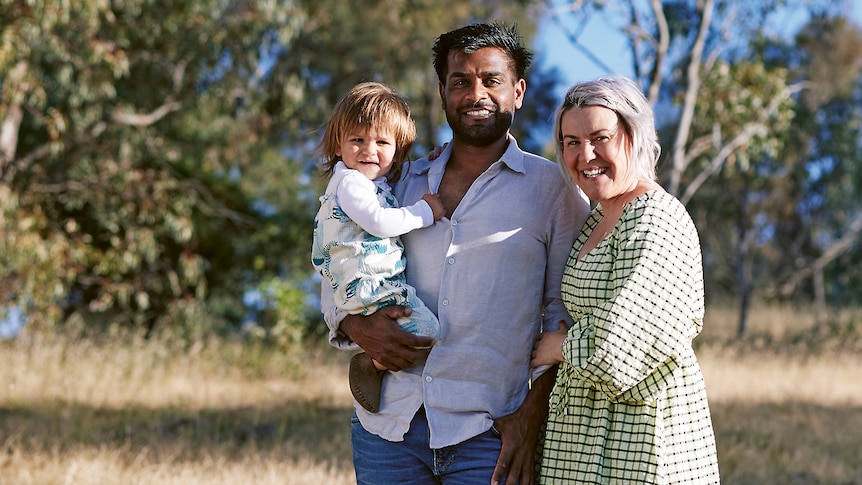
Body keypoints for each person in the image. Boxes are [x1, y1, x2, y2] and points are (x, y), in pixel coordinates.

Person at [320, 23, 590, 484]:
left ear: (518, 91)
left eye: (492, 80)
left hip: (489, 432)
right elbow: (340, 256)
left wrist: (531, 417)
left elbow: (563, 314)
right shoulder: (399, 181)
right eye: (461, 81)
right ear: (443, 91)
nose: (476, 93)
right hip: (388, 427)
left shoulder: (555, 192)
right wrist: (354, 325)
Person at [530, 75, 720, 484]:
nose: (585, 154)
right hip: (584, 435)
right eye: (571, 142)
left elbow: (624, 344)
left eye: (600, 137)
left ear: (633, 135)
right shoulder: (598, 216)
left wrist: (560, 346)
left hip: (643, 435)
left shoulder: (655, 217)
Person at [312, 82, 446, 414]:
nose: (369, 150)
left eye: (382, 142)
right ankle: (372, 364)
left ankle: (374, 361)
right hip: (370, 285)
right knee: (429, 331)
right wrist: (424, 212)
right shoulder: (352, 184)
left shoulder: (372, 183)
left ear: (398, 152)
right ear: (338, 145)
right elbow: (380, 222)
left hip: (365, 282)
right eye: (357, 140)